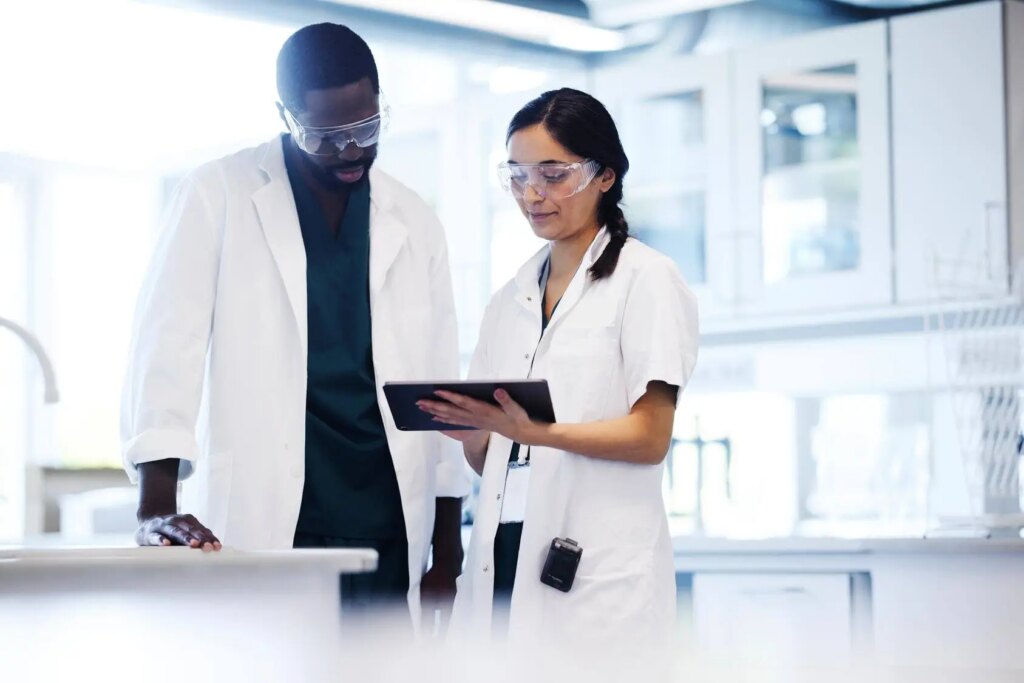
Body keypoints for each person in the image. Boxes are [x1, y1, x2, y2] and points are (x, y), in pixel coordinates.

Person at [121, 23, 468, 624]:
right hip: (267, 510)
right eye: (324, 136)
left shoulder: (413, 219)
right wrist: (155, 505)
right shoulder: (217, 194)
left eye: (366, 128)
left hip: (386, 514)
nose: (350, 151)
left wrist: (446, 543)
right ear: (285, 116)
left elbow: (440, 385)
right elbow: (165, 349)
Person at [419, 88, 698, 656]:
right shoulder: (509, 298)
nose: (533, 195)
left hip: (595, 571)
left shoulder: (647, 280)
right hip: (504, 554)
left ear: (604, 176)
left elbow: (650, 437)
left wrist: (534, 432)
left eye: (552, 174)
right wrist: (473, 429)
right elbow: (489, 458)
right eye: (518, 177)